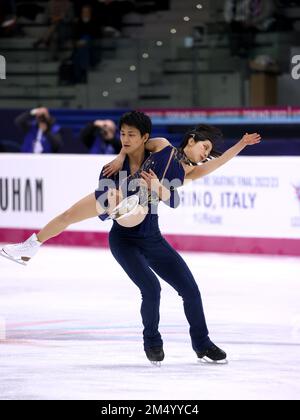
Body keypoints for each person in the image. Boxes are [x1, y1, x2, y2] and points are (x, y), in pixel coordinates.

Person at [1, 111, 261, 364]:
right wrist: (120, 156)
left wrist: (241, 143)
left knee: (190, 290)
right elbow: (134, 140)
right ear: (191, 140)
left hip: (151, 235)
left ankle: (202, 344)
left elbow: (209, 170)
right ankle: (31, 246)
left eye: (208, 151)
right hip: (123, 233)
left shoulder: (189, 173)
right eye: (204, 147)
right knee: (147, 285)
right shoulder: (162, 146)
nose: (206, 154)